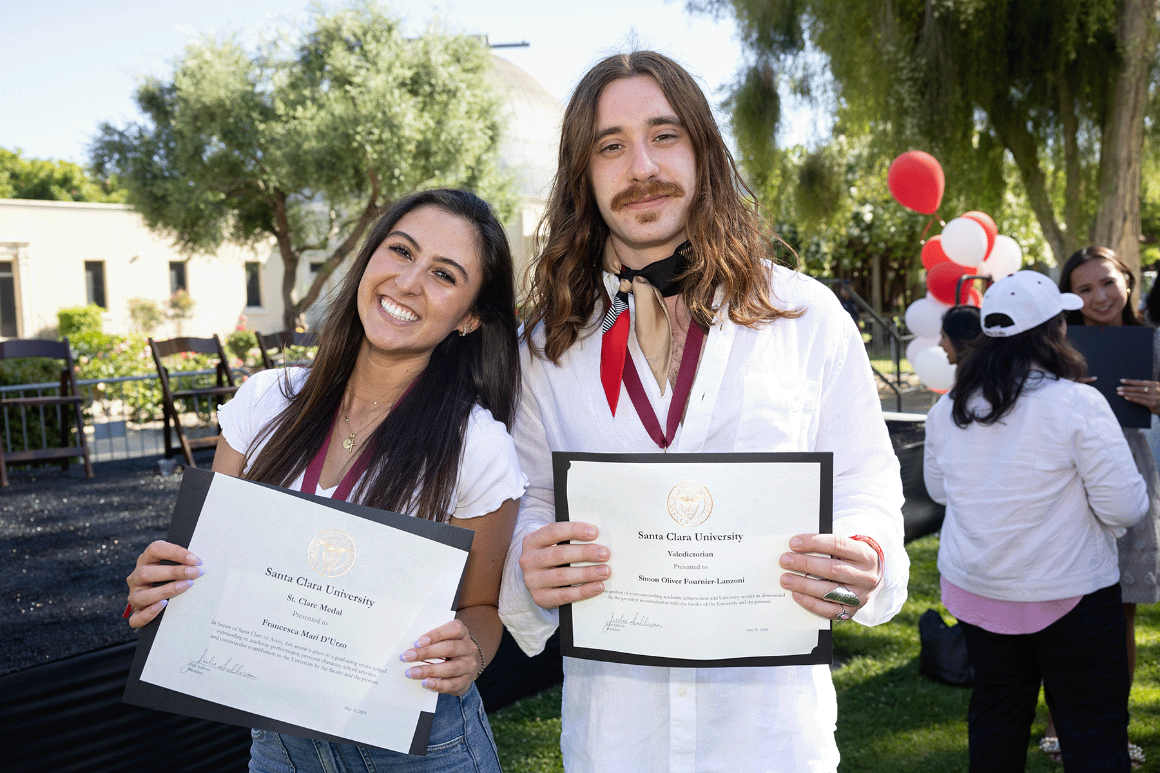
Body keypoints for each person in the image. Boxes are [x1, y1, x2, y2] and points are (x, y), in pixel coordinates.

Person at [497, 51, 908, 772]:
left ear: (703, 150)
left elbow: (867, 485)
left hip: (772, 737)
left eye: (664, 135)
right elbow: (530, 496)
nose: (641, 167)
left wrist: (861, 552)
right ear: (582, 175)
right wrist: (531, 557)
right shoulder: (545, 345)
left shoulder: (807, 316)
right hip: (616, 740)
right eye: (611, 145)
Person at [124, 189, 525, 772]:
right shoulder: (264, 403)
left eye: (443, 274)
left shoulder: (478, 446)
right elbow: (211, 568)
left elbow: (482, 608)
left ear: (469, 317)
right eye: (400, 251)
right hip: (278, 744)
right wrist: (161, 586)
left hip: (421, 749)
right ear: (368, 261)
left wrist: (469, 654)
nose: (408, 282)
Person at [925, 269, 1148, 772]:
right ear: (1055, 329)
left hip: (981, 590)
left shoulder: (949, 408)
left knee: (996, 721)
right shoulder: (1076, 403)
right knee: (1092, 732)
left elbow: (942, 491)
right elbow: (1125, 507)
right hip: (1070, 595)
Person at [1047, 245, 1160, 767]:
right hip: (1068, 487)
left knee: (1122, 612)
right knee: (1063, 607)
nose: (1099, 297)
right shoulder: (1053, 347)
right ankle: (1056, 724)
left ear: (1129, 282)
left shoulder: (1153, 343)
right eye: (1084, 288)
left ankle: (1115, 728)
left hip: (1133, 480)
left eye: (1108, 283)